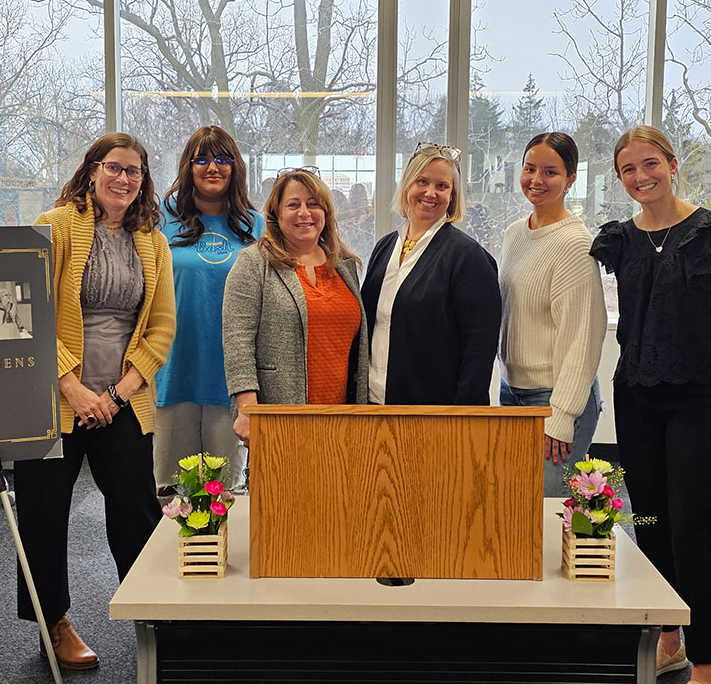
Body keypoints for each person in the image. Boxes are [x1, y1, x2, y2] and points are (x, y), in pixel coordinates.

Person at [590, 126, 711, 684]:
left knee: (690, 531)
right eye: (628, 170)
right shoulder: (619, 240)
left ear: (673, 165)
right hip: (635, 398)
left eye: (650, 164)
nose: (641, 177)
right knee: (651, 521)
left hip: (696, 405)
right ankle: (669, 639)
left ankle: (706, 673)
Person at [13, 133, 176, 672]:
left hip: (121, 400)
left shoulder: (151, 240)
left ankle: (153, 615)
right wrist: (74, 387)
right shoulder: (56, 225)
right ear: (92, 172)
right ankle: (53, 622)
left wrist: (121, 391)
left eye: (135, 171)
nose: (124, 179)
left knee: (136, 509)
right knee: (43, 512)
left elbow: (161, 327)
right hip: (55, 399)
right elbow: (24, 310)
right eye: (114, 168)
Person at [498, 133, 608, 495]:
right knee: (517, 509)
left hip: (555, 399)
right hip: (513, 392)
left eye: (550, 172)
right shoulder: (515, 233)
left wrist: (562, 416)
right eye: (530, 169)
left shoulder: (574, 243)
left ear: (570, 180)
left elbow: (583, 337)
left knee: (547, 513)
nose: (536, 180)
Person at [224, 169, 368, 443]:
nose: (305, 212)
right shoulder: (254, 264)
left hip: (343, 420)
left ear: (325, 213)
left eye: (313, 204)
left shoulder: (345, 266)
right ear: (277, 215)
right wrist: (247, 408)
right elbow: (237, 342)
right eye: (293, 205)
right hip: (280, 414)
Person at [154, 126, 261, 491]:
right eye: (201, 159)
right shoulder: (159, 220)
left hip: (232, 381)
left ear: (235, 167)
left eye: (222, 158)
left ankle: (220, 554)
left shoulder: (256, 225)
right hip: (171, 374)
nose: (211, 167)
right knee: (171, 496)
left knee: (223, 495)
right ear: (188, 166)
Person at [361, 142, 500, 405]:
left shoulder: (469, 258)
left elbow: (479, 352)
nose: (430, 192)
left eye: (442, 186)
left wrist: (461, 418)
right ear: (407, 186)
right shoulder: (385, 247)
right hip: (373, 405)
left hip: (432, 413)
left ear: (453, 195)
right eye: (422, 181)